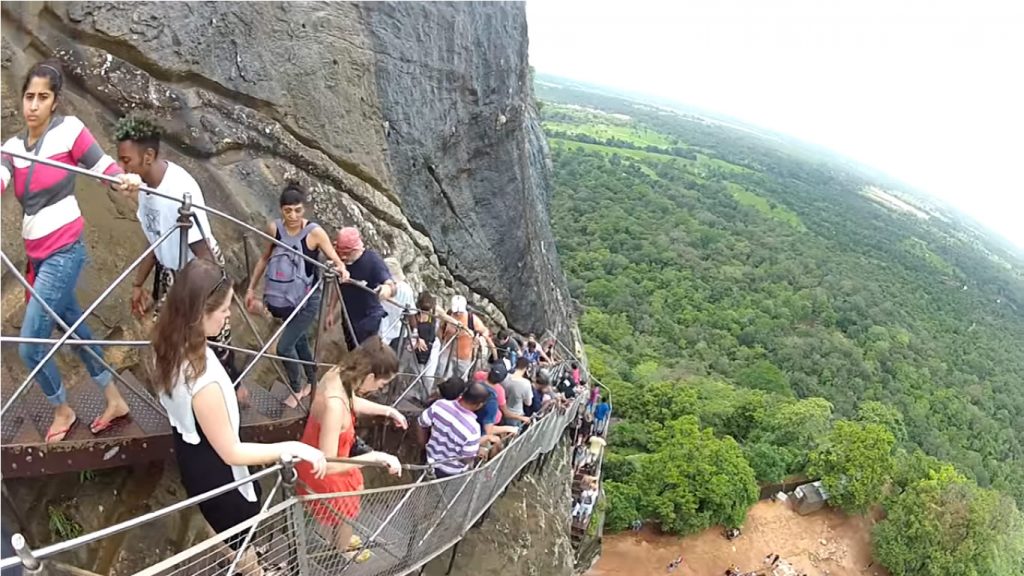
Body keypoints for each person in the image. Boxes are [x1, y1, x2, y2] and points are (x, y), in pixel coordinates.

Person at [150, 259, 326, 569]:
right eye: (223, 309)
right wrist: (293, 447)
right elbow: (231, 452)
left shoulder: (166, 346)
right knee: (239, 534)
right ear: (199, 314)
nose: (229, 314)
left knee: (218, 524)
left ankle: (239, 560)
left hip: (190, 452)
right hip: (218, 472)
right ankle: (254, 571)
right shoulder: (202, 379)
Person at [1, 60, 142, 442]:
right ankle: (115, 401)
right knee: (77, 332)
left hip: (64, 253)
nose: (33, 105)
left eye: (42, 97)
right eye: (29, 96)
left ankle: (63, 410)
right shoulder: (12, 148)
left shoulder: (69, 131)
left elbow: (103, 166)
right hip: (37, 259)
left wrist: (123, 179)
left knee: (30, 347)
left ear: (55, 101)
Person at [114, 115, 246, 402]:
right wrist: (138, 284)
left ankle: (231, 392)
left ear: (148, 156)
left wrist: (198, 305)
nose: (122, 168)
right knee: (168, 334)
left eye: (126, 161)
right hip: (172, 267)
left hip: (200, 271)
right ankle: (181, 390)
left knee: (213, 339)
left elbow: (205, 255)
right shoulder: (145, 187)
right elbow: (154, 237)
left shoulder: (178, 192)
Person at [296, 336, 406, 560]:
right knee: (348, 500)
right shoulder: (334, 406)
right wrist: (373, 457)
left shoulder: (338, 374)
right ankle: (342, 549)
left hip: (314, 452)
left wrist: (387, 410)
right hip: (322, 471)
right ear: (371, 377)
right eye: (381, 385)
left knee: (351, 492)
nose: (380, 389)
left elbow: (351, 401)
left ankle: (339, 539)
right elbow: (327, 464)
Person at [246, 184, 348, 407]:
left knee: (284, 347)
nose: (293, 216)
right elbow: (264, 258)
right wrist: (251, 288)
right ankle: (312, 381)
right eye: (288, 211)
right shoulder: (274, 229)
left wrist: (342, 268)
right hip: (283, 298)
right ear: (281, 210)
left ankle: (296, 388)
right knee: (300, 341)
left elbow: (335, 259)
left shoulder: (314, 233)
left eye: (298, 210)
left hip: (307, 301)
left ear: (304, 209)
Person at [417, 379, 496, 478]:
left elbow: (421, 423)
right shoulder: (473, 429)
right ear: (479, 405)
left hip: (430, 460)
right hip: (451, 472)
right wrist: (477, 452)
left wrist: (423, 444)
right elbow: (466, 459)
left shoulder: (440, 405)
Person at [333, 226, 395, 349]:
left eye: (347, 253)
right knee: (353, 351)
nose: (343, 257)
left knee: (365, 354)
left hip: (369, 317)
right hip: (349, 317)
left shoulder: (372, 261)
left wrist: (386, 289)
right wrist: (330, 311)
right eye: (340, 253)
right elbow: (337, 286)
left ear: (356, 249)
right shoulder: (340, 262)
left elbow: (391, 285)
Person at [438, 295, 494, 380]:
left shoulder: (471, 319)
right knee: (443, 376)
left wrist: (479, 338)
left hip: (464, 357)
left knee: (461, 379)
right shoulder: (448, 315)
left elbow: (485, 331)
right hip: (447, 353)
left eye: (460, 311)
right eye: (456, 311)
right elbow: (441, 328)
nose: (458, 313)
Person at [379, 257, 415, 351]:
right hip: (397, 332)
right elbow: (411, 313)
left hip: (380, 329)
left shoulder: (379, 286)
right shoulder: (407, 289)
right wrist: (415, 332)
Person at [502, 357, 533, 427]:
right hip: (516, 414)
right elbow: (528, 403)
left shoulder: (505, 377)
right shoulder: (526, 383)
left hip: (502, 410)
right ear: (526, 368)